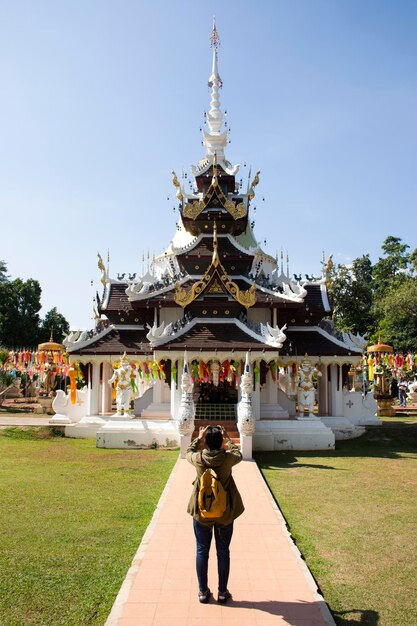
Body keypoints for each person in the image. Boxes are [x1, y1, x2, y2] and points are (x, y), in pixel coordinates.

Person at [186, 424, 244, 604]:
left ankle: (203, 592)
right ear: (220, 442)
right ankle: (222, 592)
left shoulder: (198, 458)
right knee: (223, 552)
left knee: (202, 551)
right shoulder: (228, 460)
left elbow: (188, 451)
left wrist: (199, 437)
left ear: (206, 442)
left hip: (202, 512)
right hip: (224, 512)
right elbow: (239, 454)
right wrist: (227, 436)